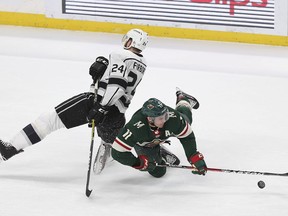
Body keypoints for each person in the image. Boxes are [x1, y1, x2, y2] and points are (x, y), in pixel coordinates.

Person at [0, 28, 149, 164]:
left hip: (97, 102)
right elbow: (120, 82)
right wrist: (102, 73)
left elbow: (117, 86)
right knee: (118, 139)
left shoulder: (120, 55)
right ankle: (150, 150)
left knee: (49, 120)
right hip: (116, 115)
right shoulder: (142, 64)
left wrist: (101, 107)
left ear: (131, 41)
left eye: (127, 39)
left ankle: (10, 148)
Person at [111, 88, 207, 178]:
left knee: (187, 121)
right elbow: (117, 152)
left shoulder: (172, 118)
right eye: (161, 118)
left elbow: (187, 136)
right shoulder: (135, 127)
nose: (165, 120)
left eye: (165, 115)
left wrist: (193, 156)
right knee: (158, 172)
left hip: (163, 134)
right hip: (146, 144)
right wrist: (138, 163)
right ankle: (161, 152)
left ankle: (183, 99)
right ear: (150, 119)